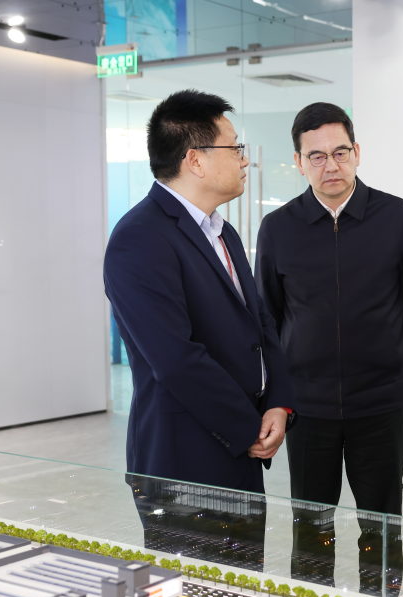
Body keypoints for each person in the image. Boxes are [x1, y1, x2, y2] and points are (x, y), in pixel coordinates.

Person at [104, 90, 296, 562]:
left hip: (239, 449)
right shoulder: (139, 238)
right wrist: (248, 428)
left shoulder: (221, 231)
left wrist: (278, 403)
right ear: (195, 159)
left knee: (241, 588)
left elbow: (261, 324)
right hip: (184, 461)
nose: (244, 160)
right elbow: (177, 359)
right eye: (235, 147)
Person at [255, 102, 403, 597]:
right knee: (312, 527)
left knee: (381, 526)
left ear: (357, 153)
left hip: (381, 404)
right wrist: (278, 396)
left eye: (340, 152)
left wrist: (399, 378)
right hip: (307, 407)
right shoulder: (279, 227)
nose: (330, 165)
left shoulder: (397, 217)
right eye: (316, 156)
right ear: (298, 161)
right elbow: (268, 320)